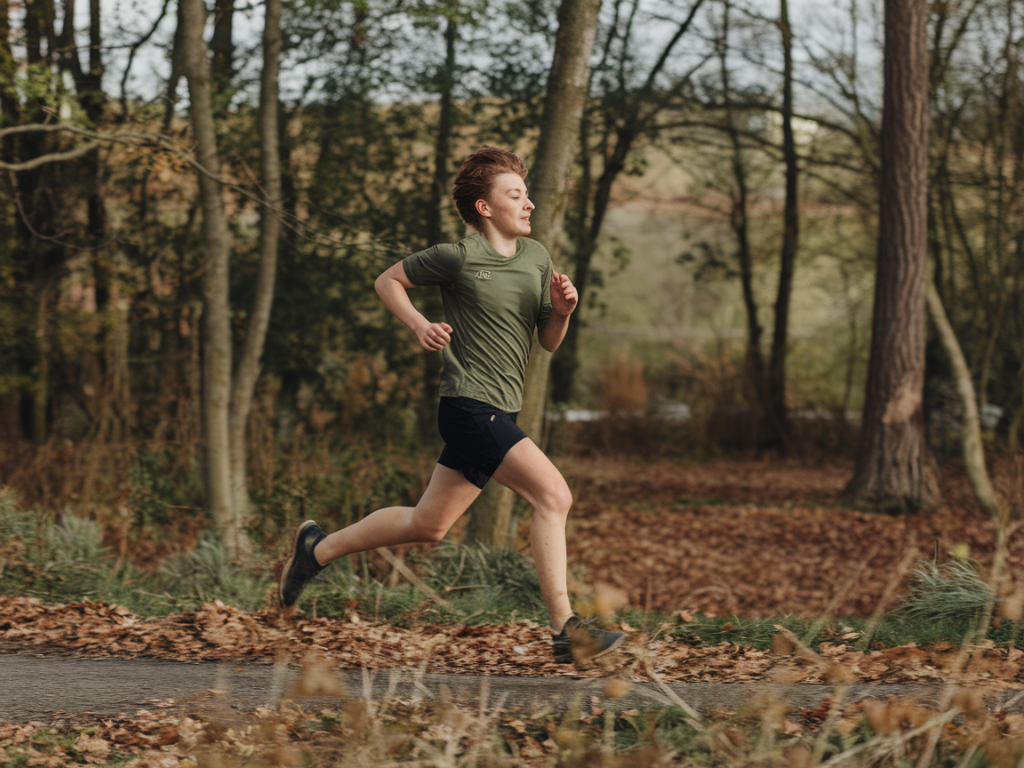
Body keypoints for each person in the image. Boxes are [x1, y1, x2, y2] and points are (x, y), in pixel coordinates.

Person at [278, 146, 624, 665]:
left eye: (527, 194)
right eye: (515, 195)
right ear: (485, 208)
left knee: (428, 525)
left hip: (500, 411)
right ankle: (565, 630)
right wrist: (420, 324)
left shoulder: (537, 259)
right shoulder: (457, 256)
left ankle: (316, 550)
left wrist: (564, 312)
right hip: (467, 406)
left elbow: (547, 342)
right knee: (554, 496)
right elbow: (387, 280)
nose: (528, 203)